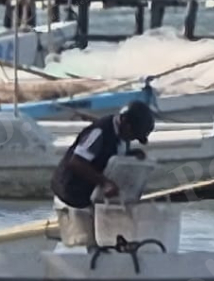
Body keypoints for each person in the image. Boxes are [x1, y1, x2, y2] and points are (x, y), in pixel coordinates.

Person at [50, 101, 155, 244]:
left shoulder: (124, 135)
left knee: (108, 240)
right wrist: (104, 182)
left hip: (90, 196)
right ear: (124, 121)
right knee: (85, 242)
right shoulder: (99, 132)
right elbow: (76, 162)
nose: (132, 138)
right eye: (133, 133)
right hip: (71, 193)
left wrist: (131, 154)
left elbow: (108, 156)